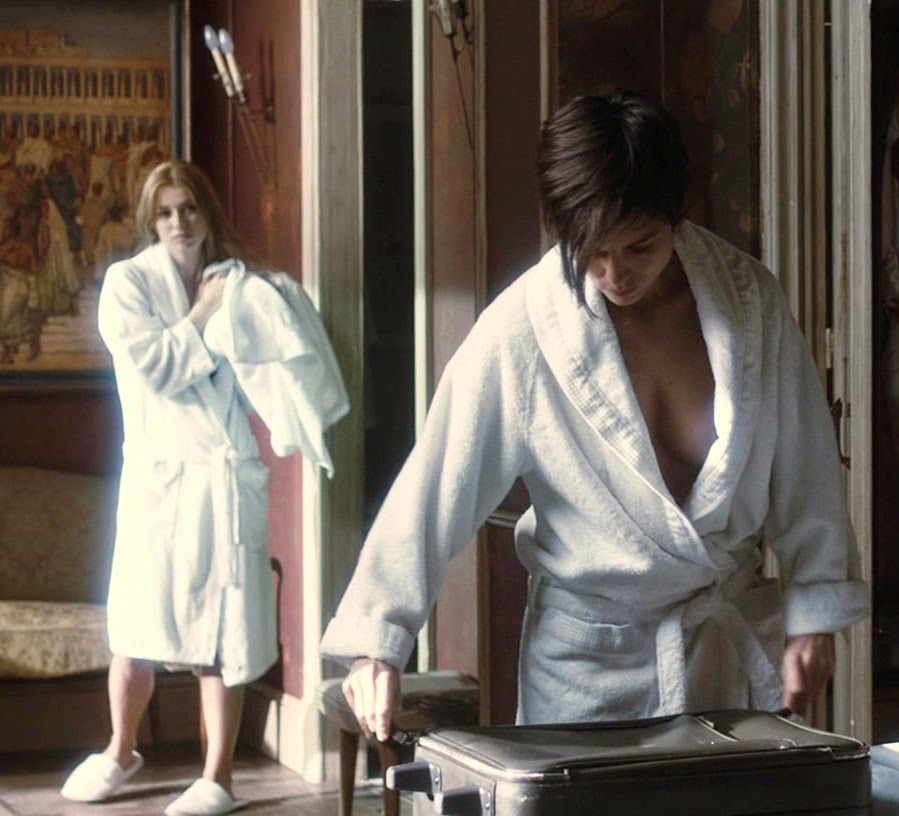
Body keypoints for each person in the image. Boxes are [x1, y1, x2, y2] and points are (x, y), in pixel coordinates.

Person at [320, 92, 870, 742]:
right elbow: (438, 483)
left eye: (639, 246)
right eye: (591, 251)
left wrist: (814, 612)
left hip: (721, 653)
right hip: (586, 670)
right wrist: (378, 642)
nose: (614, 273)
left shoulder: (749, 304)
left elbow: (805, 465)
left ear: (677, 215)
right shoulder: (524, 329)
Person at [60, 160, 347, 816]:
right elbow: (158, 369)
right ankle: (120, 749)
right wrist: (203, 312)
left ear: (206, 213)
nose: (178, 223)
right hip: (161, 480)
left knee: (224, 639)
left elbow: (269, 364)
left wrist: (265, 305)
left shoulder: (233, 282)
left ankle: (219, 777)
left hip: (225, 477)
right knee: (135, 633)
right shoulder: (128, 285)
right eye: (164, 212)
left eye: (188, 208)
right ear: (149, 220)